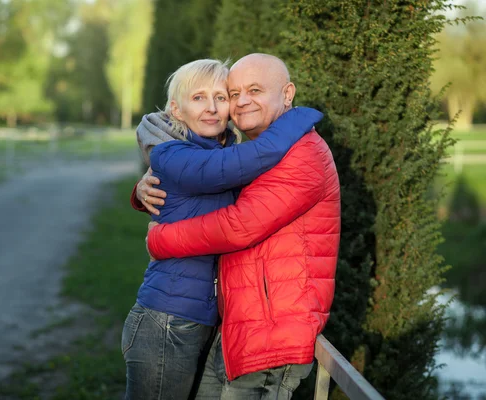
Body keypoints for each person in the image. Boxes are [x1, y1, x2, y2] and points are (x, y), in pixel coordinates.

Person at [133, 53, 341, 399]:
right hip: (239, 328)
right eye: (235, 93)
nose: (241, 101)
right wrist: (145, 190)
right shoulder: (253, 151)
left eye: (255, 90)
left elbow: (238, 226)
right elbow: (204, 180)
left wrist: (161, 240)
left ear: (287, 94)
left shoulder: (303, 154)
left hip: (272, 337)